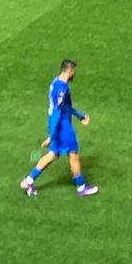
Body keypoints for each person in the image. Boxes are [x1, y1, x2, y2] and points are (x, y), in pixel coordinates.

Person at [20, 59, 98, 197]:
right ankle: (81, 187)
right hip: (62, 126)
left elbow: (64, 107)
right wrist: (51, 136)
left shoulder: (55, 82)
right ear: (69, 71)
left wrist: (79, 115)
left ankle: (28, 181)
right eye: (74, 72)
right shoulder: (62, 89)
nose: (74, 74)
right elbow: (57, 112)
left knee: (53, 154)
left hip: (55, 122)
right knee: (73, 155)